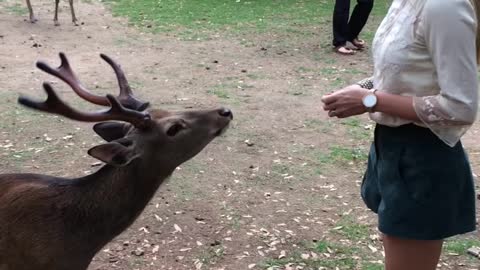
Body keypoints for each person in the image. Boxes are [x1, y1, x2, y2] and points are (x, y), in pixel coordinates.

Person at [321, 0, 479, 269]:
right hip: (392, 147)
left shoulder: (444, 7)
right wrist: (363, 88)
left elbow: (461, 107)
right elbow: (404, 71)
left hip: (424, 159)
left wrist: (370, 100)